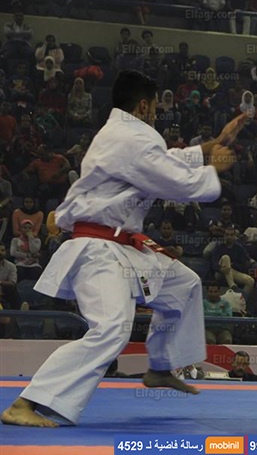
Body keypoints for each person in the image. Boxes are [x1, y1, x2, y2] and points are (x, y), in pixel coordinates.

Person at [1, 70, 241, 428]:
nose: (157, 114)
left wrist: (212, 145)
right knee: (111, 329)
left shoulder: (123, 135)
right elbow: (180, 183)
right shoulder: (132, 139)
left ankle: (160, 366)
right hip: (98, 250)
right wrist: (215, 168)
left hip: (123, 246)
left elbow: (166, 160)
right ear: (143, 106)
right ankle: (25, 403)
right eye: (155, 107)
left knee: (184, 284)